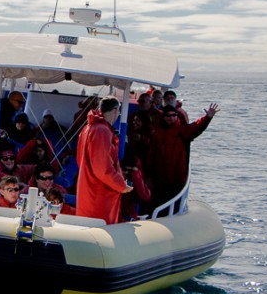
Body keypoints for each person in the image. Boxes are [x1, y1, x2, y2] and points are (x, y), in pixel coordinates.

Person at [145, 103, 220, 212]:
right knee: (158, 205)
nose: (171, 118)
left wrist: (207, 117)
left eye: (174, 115)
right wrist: (148, 175)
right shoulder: (157, 134)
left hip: (177, 179)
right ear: (163, 117)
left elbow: (197, 126)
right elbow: (151, 156)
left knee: (174, 206)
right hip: (159, 180)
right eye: (168, 116)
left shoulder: (182, 131)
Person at [75, 96, 133, 224]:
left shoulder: (87, 129)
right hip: (99, 197)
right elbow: (102, 168)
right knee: (100, 230)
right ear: (115, 110)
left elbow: (80, 160)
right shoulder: (102, 131)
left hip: (87, 191)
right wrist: (121, 186)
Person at [119, 156, 152, 221]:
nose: (126, 173)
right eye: (124, 170)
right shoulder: (116, 181)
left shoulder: (130, 181)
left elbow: (145, 196)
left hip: (129, 217)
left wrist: (136, 175)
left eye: (129, 171)